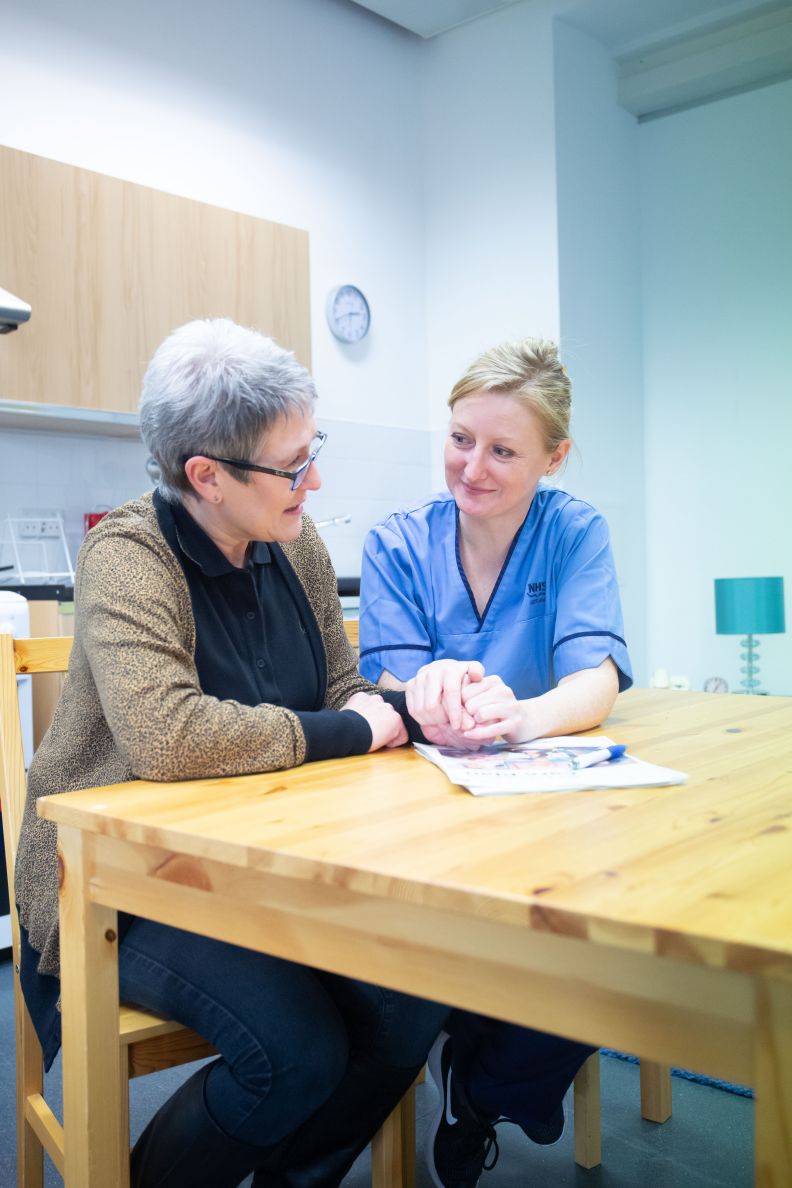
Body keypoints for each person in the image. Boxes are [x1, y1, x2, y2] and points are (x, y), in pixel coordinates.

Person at [14, 318, 448, 1188]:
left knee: (414, 1003)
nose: (314, 481)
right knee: (297, 1053)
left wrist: (415, 702)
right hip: (112, 880)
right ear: (204, 477)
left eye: (310, 449)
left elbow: (339, 688)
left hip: (267, 863)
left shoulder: (298, 542)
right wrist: (360, 727)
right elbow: (168, 736)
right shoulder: (130, 553)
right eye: (293, 466)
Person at [359, 338, 633, 1188]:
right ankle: (489, 1063)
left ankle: (478, 1086)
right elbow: (390, 677)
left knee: (618, 940)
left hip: (545, 803)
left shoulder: (574, 530)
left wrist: (523, 716)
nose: (472, 467)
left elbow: (598, 675)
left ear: (553, 457)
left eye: (503, 450)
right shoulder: (398, 542)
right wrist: (427, 693)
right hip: (426, 813)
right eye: (460, 438)